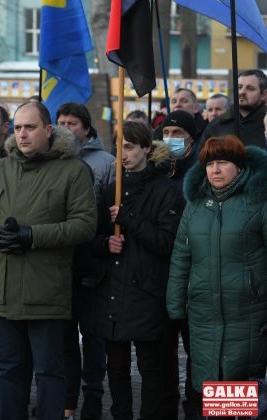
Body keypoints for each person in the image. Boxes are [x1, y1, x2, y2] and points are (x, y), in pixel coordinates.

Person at [0, 101, 97, 419]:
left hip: (46, 291)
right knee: (9, 372)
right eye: (18, 127)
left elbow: (84, 224)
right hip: (2, 291)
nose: (22, 134)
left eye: (30, 127)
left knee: (50, 373)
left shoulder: (73, 170)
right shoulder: (0, 168)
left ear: (48, 130)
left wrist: (32, 236)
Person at [91, 121, 184, 420]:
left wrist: (130, 220)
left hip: (147, 292)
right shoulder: (110, 189)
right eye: (118, 147)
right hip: (113, 293)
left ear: (146, 147)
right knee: (115, 369)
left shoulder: (166, 191)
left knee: (150, 369)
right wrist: (106, 243)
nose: (123, 154)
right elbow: (90, 238)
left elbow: (167, 242)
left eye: (129, 147)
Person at [167, 135, 267, 412]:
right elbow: (181, 257)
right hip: (205, 315)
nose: (215, 170)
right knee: (218, 390)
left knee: (241, 394)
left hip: (246, 314)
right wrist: (175, 306)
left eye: (222, 163)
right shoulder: (197, 205)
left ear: (239, 166)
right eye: (210, 164)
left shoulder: (258, 202)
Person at [56, 102, 115, 420]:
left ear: (87, 128)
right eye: (61, 122)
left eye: (73, 123)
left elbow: (108, 216)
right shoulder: (53, 160)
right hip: (60, 266)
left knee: (92, 335)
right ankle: (65, 397)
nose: (67, 128)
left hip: (92, 263)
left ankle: (93, 392)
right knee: (63, 336)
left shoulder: (106, 163)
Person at [201, 70, 267, 149]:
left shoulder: (265, 123)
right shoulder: (217, 125)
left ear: (263, 94)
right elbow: (202, 157)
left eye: (250, 88)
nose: (242, 92)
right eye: (239, 87)